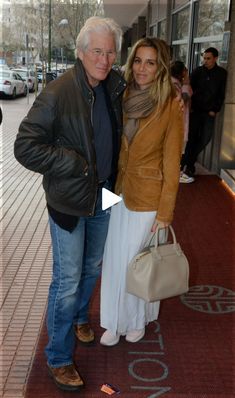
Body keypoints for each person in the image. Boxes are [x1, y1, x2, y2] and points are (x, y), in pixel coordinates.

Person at [14, 16, 126, 391]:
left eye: (110, 51)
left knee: (92, 266)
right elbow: (24, 147)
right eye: (97, 51)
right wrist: (70, 162)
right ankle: (59, 358)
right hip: (68, 200)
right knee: (66, 280)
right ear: (81, 53)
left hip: (105, 192)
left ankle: (80, 317)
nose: (105, 58)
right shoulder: (58, 92)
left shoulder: (112, 86)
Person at [100, 37, 184, 346]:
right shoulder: (120, 95)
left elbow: (172, 162)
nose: (142, 68)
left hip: (149, 195)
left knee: (138, 263)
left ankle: (136, 320)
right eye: (137, 60)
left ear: (160, 67)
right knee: (113, 260)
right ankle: (112, 321)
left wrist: (165, 212)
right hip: (117, 190)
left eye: (150, 62)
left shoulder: (170, 105)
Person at [181, 47, 227, 183]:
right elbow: (189, 88)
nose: (205, 61)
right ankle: (189, 167)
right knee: (192, 139)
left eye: (208, 58)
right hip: (195, 111)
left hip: (209, 113)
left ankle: (186, 160)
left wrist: (215, 109)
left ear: (215, 58)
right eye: (204, 58)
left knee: (205, 138)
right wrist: (190, 107)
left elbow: (221, 93)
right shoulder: (197, 72)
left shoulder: (222, 74)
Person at [170, 60, 193, 183]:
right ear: (182, 72)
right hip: (177, 124)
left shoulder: (174, 82)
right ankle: (176, 173)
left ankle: (176, 172)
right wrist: (186, 84)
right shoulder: (175, 84)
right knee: (177, 149)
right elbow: (183, 100)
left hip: (179, 123)